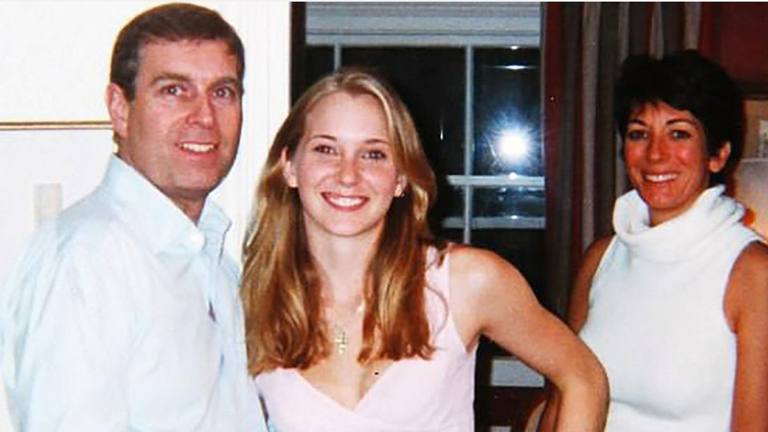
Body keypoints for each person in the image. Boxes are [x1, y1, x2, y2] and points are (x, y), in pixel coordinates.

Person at [241, 68, 608, 432]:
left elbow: (583, 377)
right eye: (326, 149)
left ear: (400, 178)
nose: (348, 174)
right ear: (289, 167)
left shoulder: (464, 281)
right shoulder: (250, 301)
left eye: (373, 154)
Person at [0, 3, 267, 431]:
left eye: (222, 92)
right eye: (174, 90)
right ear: (120, 108)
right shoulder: (89, 259)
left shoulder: (214, 264)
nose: (204, 117)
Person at [539, 50, 768, 432]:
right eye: (638, 134)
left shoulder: (752, 272)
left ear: (718, 155)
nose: (655, 154)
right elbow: (563, 398)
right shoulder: (601, 259)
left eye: (679, 133)